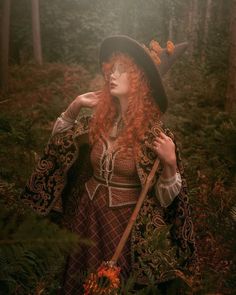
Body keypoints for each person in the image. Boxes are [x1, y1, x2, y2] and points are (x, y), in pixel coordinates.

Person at [21, 35, 197, 294]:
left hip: (123, 225)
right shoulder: (98, 122)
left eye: (122, 70)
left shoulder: (155, 135)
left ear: (139, 81)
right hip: (86, 216)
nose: (112, 75)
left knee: (115, 284)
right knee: (80, 281)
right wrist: (74, 106)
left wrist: (170, 165)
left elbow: (165, 200)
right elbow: (58, 146)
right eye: (111, 69)